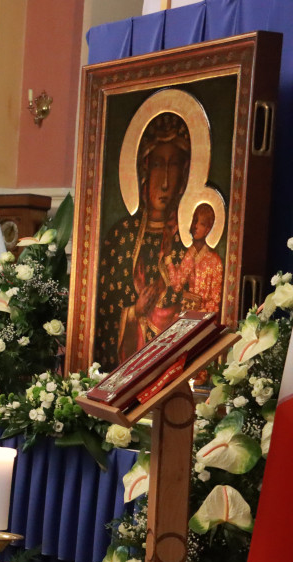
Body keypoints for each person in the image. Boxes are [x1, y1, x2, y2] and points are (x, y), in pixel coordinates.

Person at [97, 112, 191, 369]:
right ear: (144, 170)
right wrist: (133, 313)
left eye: (173, 167)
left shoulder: (187, 244)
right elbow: (102, 317)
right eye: (159, 165)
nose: (164, 182)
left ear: (184, 174)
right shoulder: (119, 238)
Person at [164, 203, 224, 314]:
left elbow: (215, 301)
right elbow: (177, 285)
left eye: (201, 224)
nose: (195, 226)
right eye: (194, 221)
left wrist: (202, 312)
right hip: (188, 314)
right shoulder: (190, 254)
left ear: (207, 229)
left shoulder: (215, 261)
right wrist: (168, 258)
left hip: (205, 317)